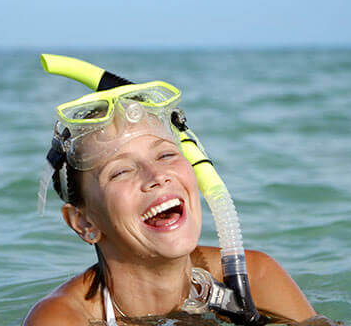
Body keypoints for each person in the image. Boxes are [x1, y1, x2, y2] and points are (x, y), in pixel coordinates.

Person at [24, 66, 320, 326]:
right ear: (83, 222)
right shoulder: (63, 318)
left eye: (166, 155)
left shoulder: (253, 278)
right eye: (121, 172)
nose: (156, 176)